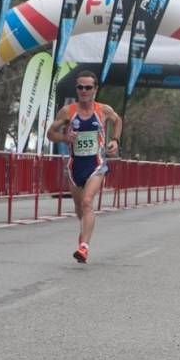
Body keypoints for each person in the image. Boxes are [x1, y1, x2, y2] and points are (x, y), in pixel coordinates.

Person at [47, 70, 122, 263]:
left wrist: (114, 140)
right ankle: (84, 236)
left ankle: (84, 247)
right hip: (74, 166)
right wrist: (64, 137)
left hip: (96, 164)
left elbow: (118, 120)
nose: (84, 90)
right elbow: (50, 134)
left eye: (88, 87)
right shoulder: (67, 112)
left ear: (95, 89)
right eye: (80, 87)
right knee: (80, 207)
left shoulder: (103, 110)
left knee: (88, 201)